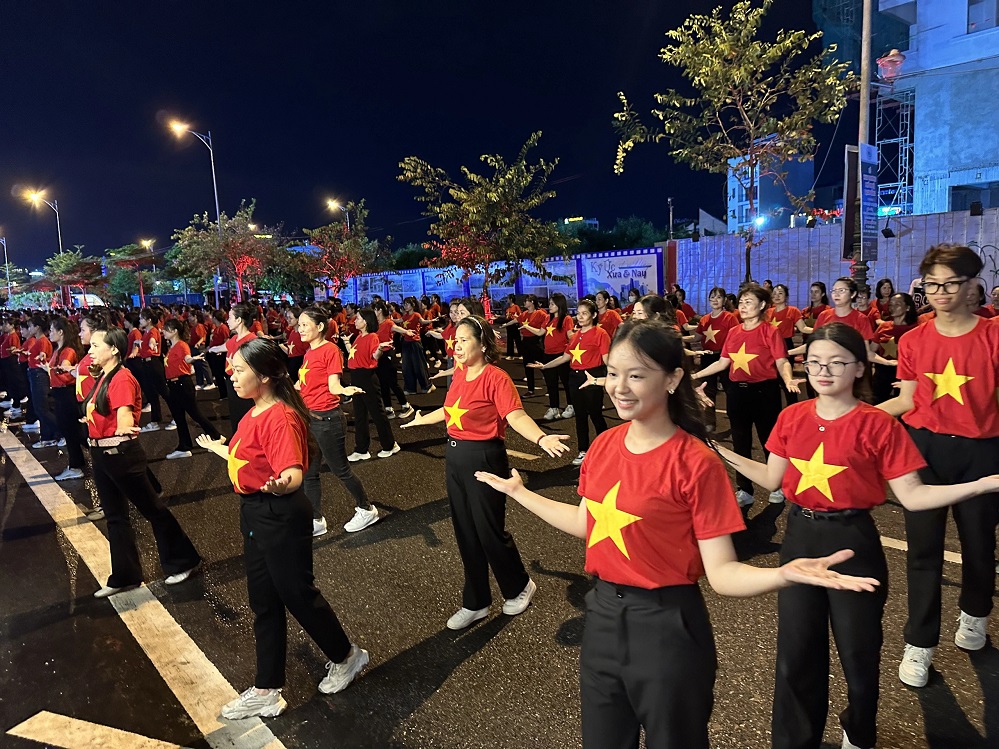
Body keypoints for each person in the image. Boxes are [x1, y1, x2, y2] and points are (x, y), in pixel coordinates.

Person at [475, 319, 880, 749]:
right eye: (613, 373)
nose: (620, 387)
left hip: (669, 628)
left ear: (672, 379)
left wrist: (785, 574)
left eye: (637, 375)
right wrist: (520, 495)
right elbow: (585, 525)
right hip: (604, 621)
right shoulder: (604, 446)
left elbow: (721, 574)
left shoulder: (695, 463)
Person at [717, 322, 999, 749]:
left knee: (858, 652)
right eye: (813, 362)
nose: (823, 371)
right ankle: (794, 739)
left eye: (836, 362)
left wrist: (983, 483)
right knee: (796, 652)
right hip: (800, 537)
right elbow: (772, 477)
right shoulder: (791, 417)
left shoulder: (878, 424)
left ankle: (859, 733)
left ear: (860, 368)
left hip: (854, 541)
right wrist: (718, 451)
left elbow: (915, 495)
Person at [196, 338, 368, 719]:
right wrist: (219, 450)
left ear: (265, 375)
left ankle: (347, 656)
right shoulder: (254, 411)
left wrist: (281, 484)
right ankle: (267, 688)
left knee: (297, 595)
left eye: (239, 370)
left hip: (279, 514)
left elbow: (292, 473)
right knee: (264, 601)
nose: (232, 375)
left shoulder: (281, 416)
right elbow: (250, 460)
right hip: (256, 514)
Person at [878, 243, 999, 689]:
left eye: (951, 283)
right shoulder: (912, 340)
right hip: (923, 450)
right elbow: (907, 399)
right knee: (923, 551)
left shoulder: (994, 336)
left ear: (972, 286)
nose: (940, 292)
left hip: (982, 451)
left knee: (979, 544)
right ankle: (920, 643)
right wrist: (856, 417)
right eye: (932, 284)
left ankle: (974, 616)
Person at [400, 315, 570, 629]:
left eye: (464, 340)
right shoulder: (460, 375)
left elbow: (515, 416)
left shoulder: (496, 377)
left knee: (489, 530)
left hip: (485, 457)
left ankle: (519, 586)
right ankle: (476, 602)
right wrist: (422, 420)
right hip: (455, 458)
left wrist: (541, 437)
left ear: (482, 344)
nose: (457, 345)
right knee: (465, 533)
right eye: (456, 340)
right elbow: (451, 410)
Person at [84, 328, 202, 598]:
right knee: (115, 518)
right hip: (101, 455)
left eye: (95, 345)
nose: (90, 350)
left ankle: (184, 560)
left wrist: (124, 427)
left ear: (114, 349)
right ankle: (125, 576)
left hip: (121, 455)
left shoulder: (122, 378)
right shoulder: (103, 376)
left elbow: (125, 415)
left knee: (153, 510)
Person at [692, 285, 799, 507]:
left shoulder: (770, 331)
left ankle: (776, 484)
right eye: (741, 302)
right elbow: (723, 363)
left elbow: (781, 361)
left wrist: (787, 379)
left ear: (762, 306)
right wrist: (695, 375)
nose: (743, 306)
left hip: (765, 391)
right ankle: (745, 489)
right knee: (741, 442)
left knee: (769, 441)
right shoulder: (734, 332)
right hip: (737, 392)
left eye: (749, 301)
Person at [297, 307, 378, 536]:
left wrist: (345, 390)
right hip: (310, 419)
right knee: (310, 472)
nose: (299, 329)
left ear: (320, 326)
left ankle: (366, 509)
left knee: (340, 469)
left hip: (327, 419)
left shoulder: (330, 350)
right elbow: (302, 384)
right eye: (299, 325)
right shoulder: (309, 352)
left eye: (304, 325)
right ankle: (316, 519)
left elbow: (333, 385)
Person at [532, 299, 611, 466]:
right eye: (578, 313)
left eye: (584, 313)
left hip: (592, 377)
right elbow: (565, 357)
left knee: (596, 415)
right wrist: (545, 366)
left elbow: (607, 360)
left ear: (594, 315)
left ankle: (607, 449)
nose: (580, 317)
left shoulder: (600, 334)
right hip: (574, 377)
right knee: (580, 416)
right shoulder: (576, 336)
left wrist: (613, 378)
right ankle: (583, 450)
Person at [344, 308, 401, 462]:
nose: (355, 321)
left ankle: (390, 445)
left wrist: (380, 351)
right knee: (360, 415)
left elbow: (374, 356)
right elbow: (354, 356)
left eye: (358, 319)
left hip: (367, 377)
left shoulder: (372, 337)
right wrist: (347, 343)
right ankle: (361, 449)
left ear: (366, 322)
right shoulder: (358, 337)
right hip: (356, 376)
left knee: (377, 413)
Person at [162, 319, 223, 460]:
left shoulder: (182, 345)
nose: (163, 331)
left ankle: (216, 436)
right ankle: (184, 446)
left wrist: (193, 358)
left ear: (174, 331)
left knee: (194, 413)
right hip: (174, 385)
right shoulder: (172, 347)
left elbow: (187, 358)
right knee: (179, 417)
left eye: (166, 329)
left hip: (182, 384)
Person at [690, 287, 738, 429]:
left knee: (730, 389)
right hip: (708, 357)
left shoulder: (730, 318)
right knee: (707, 389)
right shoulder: (705, 319)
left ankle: (734, 418)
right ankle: (710, 421)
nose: (715, 300)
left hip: (725, 357)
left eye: (718, 297)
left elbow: (736, 337)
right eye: (712, 297)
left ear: (724, 300)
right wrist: (676, 337)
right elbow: (697, 337)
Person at [44, 318, 82, 464]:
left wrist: (58, 370)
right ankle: (76, 463)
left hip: (66, 394)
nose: (50, 333)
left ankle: (76, 465)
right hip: (59, 393)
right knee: (69, 430)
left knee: (71, 431)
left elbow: (65, 369)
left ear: (61, 332)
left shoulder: (67, 351)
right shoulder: (57, 350)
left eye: (53, 330)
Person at [871, 293, 918, 404]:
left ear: (907, 307)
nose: (893, 307)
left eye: (897, 304)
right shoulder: (884, 326)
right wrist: (886, 362)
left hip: (906, 372)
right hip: (883, 370)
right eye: (891, 304)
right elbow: (871, 351)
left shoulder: (916, 329)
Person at [372, 301, 414, 419]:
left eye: (375, 309)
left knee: (392, 382)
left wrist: (406, 332)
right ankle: (388, 408)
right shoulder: (375, 324)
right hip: (379, 355)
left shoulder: (388, 322)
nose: (374, 312)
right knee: (382, 383)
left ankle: (406, 405)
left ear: (380, 310)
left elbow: (396, 328)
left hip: (388, 354)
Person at [539, 293, 575, 421]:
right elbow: (540, 332)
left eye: (552, 304)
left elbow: (571, 336)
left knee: (566, 382)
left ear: (559, 305)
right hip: (548, 354)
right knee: (551, 383)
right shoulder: (548, 318)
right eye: (549, 304)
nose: (550, 306)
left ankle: (571, 405)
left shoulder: (566, 319)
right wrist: (525, 326)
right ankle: (554, 408)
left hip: (561, 355)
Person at [136, 308, 170, 433]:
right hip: (148, 364)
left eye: (141, 318)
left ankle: (176, 416)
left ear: (148, 320)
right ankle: (155, 420)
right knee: (152, 393)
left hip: (153, 364)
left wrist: (150, 344)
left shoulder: (153, 331)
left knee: (164, 392)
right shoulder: (147, 331)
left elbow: (153, 341)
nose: (140, 320)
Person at [517, 295, 548, 397]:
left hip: (535, 341)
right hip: (525, 342)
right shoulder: (524, 314)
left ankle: (550, 387)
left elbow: (548, 322)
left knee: (542, 365)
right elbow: (516, 320)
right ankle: (530, 390)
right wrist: (504, 324)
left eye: (526, 301)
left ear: (532, 302)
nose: (525, 303)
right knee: (528, 366)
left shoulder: (540, 313)